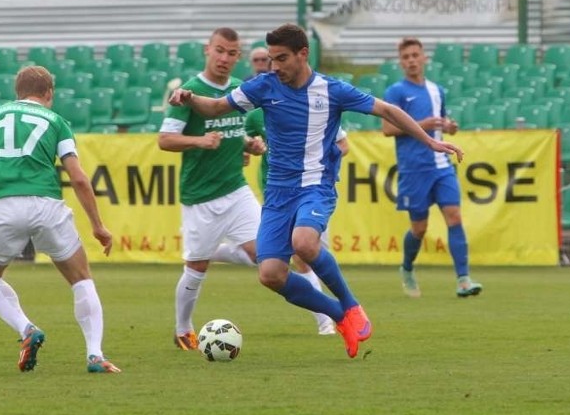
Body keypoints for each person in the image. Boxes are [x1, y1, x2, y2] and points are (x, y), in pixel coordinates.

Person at [168, 23, 464, 358]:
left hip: (315, 186)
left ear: (303, 54)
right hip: (278, 194)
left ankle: (351, 306)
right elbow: (216, 107)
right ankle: (339, 316)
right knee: (270, 275)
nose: (274, 66)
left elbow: (388, 111)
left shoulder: (332, 89)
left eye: (281, 58)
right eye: (271, 59)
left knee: (304, 243)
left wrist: (430, 142)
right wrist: (190, 99)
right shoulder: (263, 86)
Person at [0, 66, 120, 373]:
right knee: (81, 278)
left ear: (17, 93)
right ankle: (95, 355)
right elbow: (79, 179)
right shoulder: (57, 122)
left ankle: (26, 329)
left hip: (1, 206)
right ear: (49, 94)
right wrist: (98, 225)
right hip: (46, 206)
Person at [158, 27, 268, 350]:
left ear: (238, 57)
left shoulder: (238, 89)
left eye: (231, 53)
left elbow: (233, 133)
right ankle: (182, 329)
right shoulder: (188, 93)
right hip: (200, 196)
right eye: (219, 50)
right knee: (197, 267)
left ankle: (217, 251)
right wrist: (199, 141)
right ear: (208, 50)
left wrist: (250, 144)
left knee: (267, 254)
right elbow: (165, 140)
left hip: (236, 189)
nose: (224, 58)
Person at [382, 37, 483, 299]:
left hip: (441, 165)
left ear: (424, 57)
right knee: (419, 229)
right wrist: (422, 124)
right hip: (414, 169)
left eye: (416, 55)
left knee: (454, 217)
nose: (412, 60)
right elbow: (387, 129)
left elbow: (443, 120)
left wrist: (448, 127)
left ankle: (463, 279)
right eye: (406, 57)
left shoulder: (437, 90)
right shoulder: (395, 92)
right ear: (401, 62)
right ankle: (407, 268)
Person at [245, 101, 349, 336]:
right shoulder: (255, 116)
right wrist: (249, 150)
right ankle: (331, 319)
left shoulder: (314, 105)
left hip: (313, 191)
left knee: (305, 251)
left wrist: (316, 156)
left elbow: (343, 144)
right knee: (277, 265)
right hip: (278, 195)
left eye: (267, 60)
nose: (265, 64)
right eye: (262, 61)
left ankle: (343, 311)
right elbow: (248, 146)